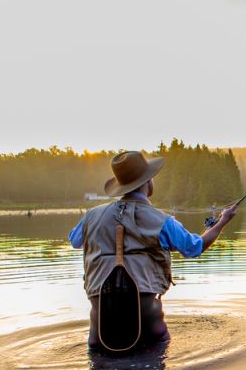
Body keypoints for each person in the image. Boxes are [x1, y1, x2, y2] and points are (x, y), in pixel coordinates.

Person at [69, 151, 237, 352]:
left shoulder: (91, 217)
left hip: (99, 336)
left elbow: (75, 241)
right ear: (147, 182)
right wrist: (222, 222)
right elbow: (195, 248)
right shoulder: (162, 221)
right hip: (150, 333)